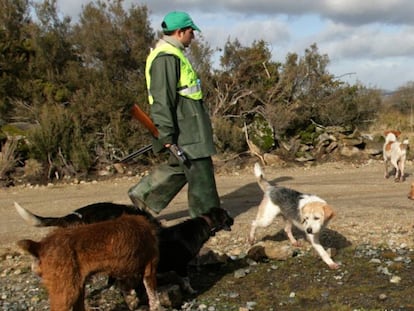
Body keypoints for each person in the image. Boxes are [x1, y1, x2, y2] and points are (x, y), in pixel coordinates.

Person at [128, 11, 220, 218]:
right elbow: (162, 98)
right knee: (200, 171)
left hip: (188, 125)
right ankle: (208, 218)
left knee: (180, 165)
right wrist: (166, 133)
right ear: (179, 32)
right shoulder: (166, 58)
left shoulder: (173, 55)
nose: (193, 37)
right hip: (187, 128)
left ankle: (144, 196)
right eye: (190, 32)